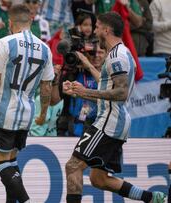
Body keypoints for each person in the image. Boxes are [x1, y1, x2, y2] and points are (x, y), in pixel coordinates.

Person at [63, 12, 166, 203]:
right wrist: (86, 65)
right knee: (98, 179)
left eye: (97, 27)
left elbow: (121, 92)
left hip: (109, 122)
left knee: (73, 166)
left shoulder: (116, 56)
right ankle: (152, 198)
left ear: (106, 30)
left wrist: (84, 92)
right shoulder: (120, 53)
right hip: (115, 121)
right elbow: (107, 84)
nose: (94, 32)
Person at [0, 5, 55, 203]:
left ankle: (26, 200)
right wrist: (43, 113)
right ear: (31, 21)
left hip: (2, 114)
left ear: (10, 22)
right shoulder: (45, 49)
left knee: (0, 164)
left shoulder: (5, 43)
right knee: (11, 163)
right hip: (26, 116)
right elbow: (46, 87)